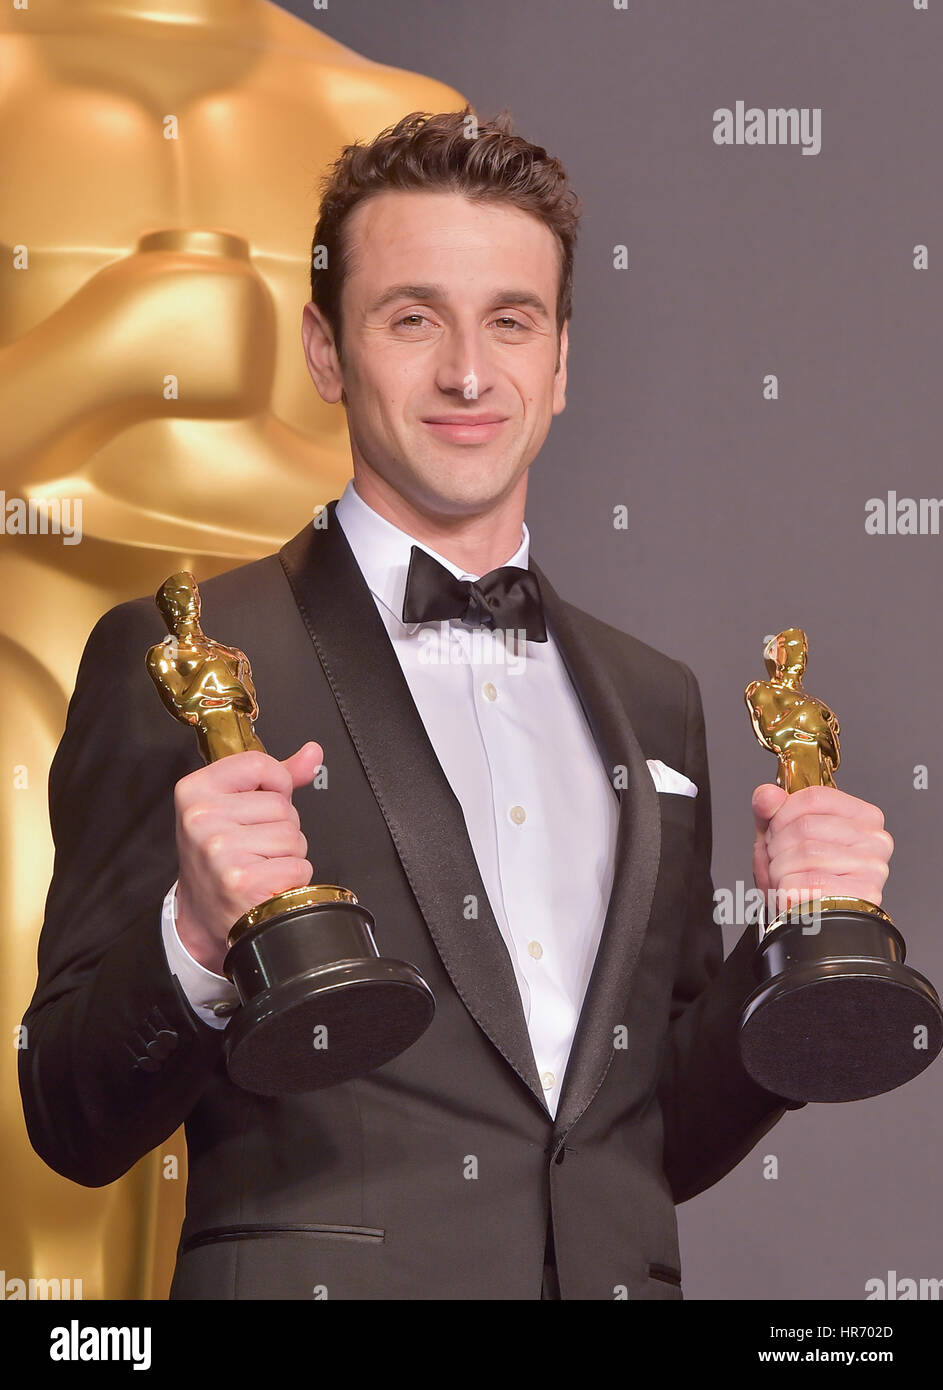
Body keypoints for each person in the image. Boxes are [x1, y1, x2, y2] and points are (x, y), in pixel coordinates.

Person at [19, 108, 894, 1300]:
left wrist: (796, 943)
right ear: (327, 353)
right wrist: (191, 935)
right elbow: (69, 1116)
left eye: (510, 322)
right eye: (412, 317)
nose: (468, 372)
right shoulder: (186, 656)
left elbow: (646, 1144)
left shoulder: (655, 700)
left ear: (562, 363)